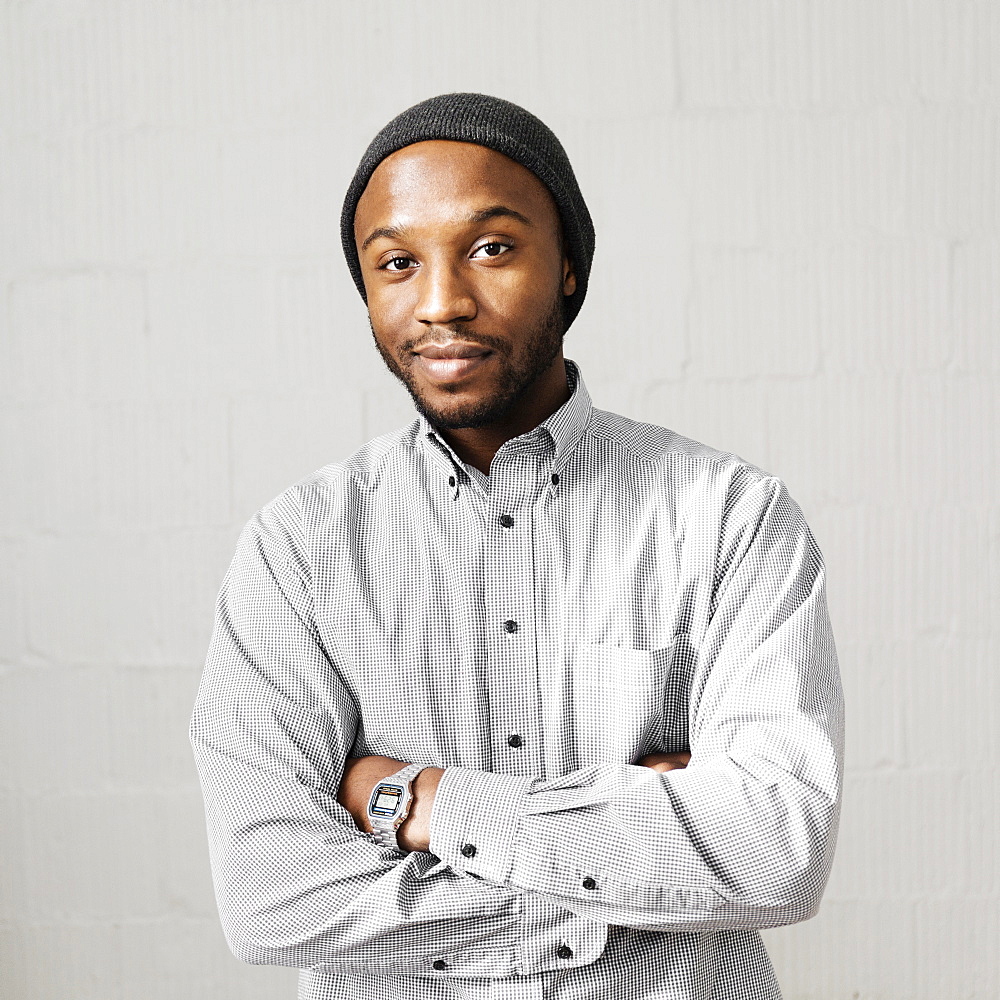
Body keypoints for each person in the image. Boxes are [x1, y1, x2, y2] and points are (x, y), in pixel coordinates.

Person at [189, 92, 844, 1000]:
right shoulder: (297, 550)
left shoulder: (731, 517)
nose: (442, 303)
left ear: (569, 266)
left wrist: (420, 799)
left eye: (491, 248)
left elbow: (774, 854)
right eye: (397, 263)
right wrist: (626, 857)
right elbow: (269, 898)